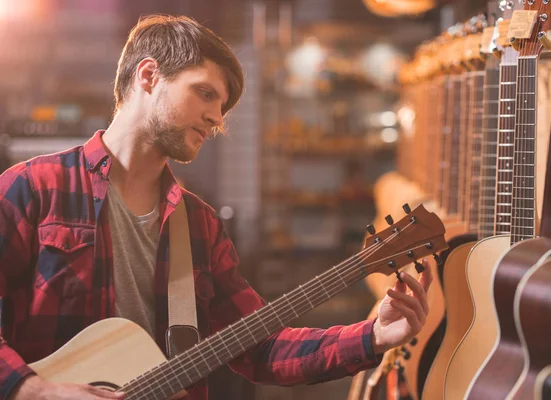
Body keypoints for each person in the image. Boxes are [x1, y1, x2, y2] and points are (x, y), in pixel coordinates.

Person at [1, 15, 432, 400]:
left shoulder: (198, 227)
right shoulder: (34, 188)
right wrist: (31, 388)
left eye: (221, 107)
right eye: (204, 93)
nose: (216, 119)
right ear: (148, 75)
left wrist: (371, 336)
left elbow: (258, 347)